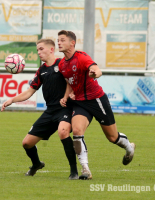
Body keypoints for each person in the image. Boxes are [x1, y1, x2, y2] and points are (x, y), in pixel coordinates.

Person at [58, 30, 136, 180]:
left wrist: (95, 73)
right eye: (58, 40)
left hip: (97, 100)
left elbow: (96, 69)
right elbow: (70, 81)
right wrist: (66, 96)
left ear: (72, 43)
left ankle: (129, 147)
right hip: (80, 103)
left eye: (62, 40)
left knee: (113, 138)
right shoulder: (62, 64)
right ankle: (85, 169)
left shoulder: (81, 57)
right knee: (77, 130)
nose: (59, 43)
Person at [1, 38, 79, 180]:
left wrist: (72, 93)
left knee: (63, 132)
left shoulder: (62, 64)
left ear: (51, 49)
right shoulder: (41, 70)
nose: (38, 52)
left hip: (65, 109)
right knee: (27, 143)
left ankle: (74, 172)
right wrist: (11, 100)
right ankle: (36, 164)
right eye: (37, 50)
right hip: (50, 112)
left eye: (41, 49)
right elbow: (29, 92)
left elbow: (74, 81)